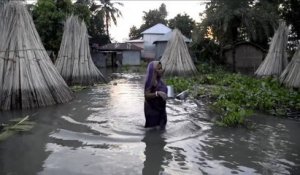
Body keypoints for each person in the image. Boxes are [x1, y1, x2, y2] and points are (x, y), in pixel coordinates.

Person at [144, 61, 168, 130]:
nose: (162, 70)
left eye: (161, 68)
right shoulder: (149, 82)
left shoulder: (160, 81)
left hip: (161, 110)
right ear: (153, 70)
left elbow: (164, 93)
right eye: (159, 69)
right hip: (152, 111)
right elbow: (146, 95)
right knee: (152, 131)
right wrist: (157, 93)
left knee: (162, 129)